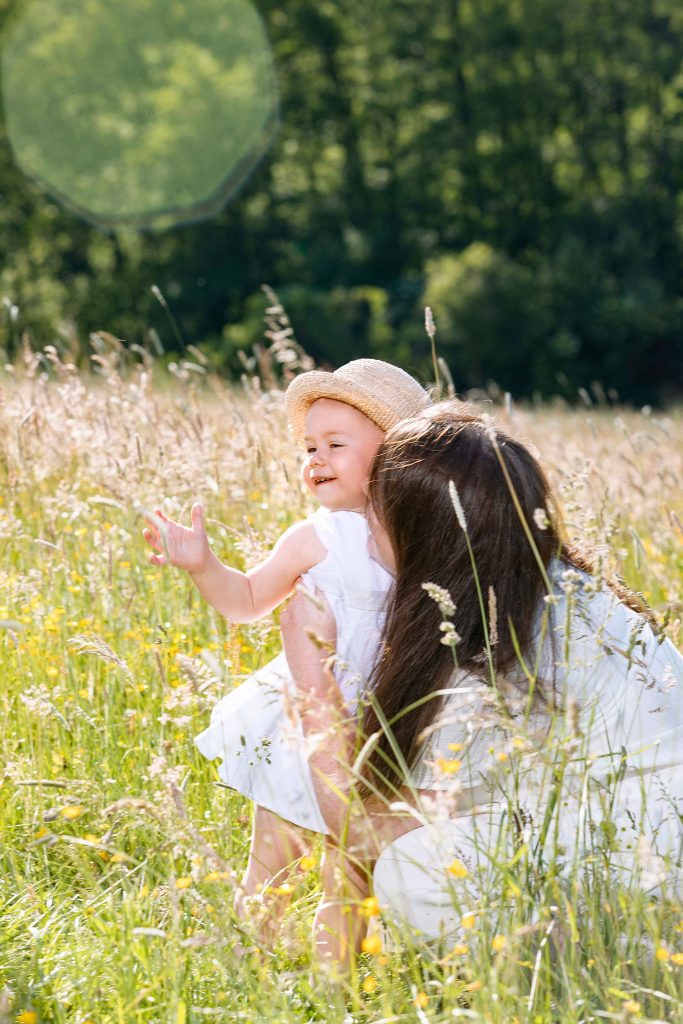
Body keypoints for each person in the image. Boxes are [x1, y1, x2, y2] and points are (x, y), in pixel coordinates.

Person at [280, 402, 683, 962]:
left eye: (378, 511)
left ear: (427, 535)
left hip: (646, 891)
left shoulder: (484, 658)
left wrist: (312, 681)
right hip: (643, 847)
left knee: (412, 868)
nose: (365, 526)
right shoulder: (567, 591)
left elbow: (364, 830)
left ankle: (562, 978)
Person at [141, 358, 430, 931]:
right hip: (303, 720)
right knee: (273, 860)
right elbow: (245, 601)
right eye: (308, 448)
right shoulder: (314, 538)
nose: (316, 460)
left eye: (335, 444)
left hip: (383, 724)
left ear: (395, 451)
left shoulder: (423, 537)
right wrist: (204, 565)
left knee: (352, 873)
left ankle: (334, 996)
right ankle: (251, 960)